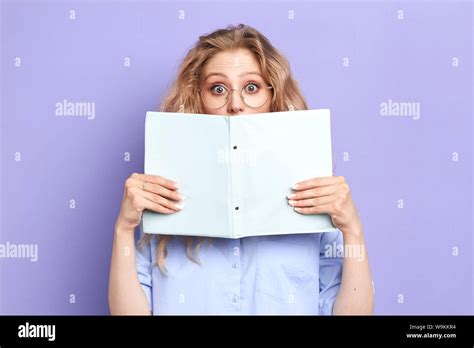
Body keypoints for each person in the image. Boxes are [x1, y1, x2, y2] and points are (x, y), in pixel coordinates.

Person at [108, 24, 374, 315]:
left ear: (273, 96)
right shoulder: (162, 196)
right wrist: (124, 228)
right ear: (198, 98)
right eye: (218, 88)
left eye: (251, 87)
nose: (235, 104)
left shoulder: (314, 194)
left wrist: (353, 231)